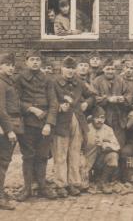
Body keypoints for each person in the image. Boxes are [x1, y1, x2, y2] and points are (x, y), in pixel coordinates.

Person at [16, 50, 58, 201]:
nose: (35, 62)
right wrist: (31, 108)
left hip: (45, 124)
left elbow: (54, 103)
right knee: (28, 156)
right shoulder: (19, 79)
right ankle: (27, 188)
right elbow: (15, 101)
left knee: (42, 156)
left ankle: (42, 186)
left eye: (38, 60)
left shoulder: (48, 79)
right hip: (27, 124)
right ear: (26, 61)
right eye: (32, 59)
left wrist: (49, 123)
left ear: (41, 62)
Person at [53, 56, 95, 197]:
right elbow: (49, 101)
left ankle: (74, 183)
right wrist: (59, 107)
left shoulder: (79, 83)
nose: (70, 71)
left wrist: (86, 103)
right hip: (61, 121)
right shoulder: (54, 83)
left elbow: (92, 96)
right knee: (60, 154)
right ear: (62, 69)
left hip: (77, 119)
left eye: (72, 68)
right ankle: (61, 184)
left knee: (75, 152)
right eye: (67, 68)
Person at [0, 53, 23, 210]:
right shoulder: (1, 83)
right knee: (2, 162)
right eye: (7, 64)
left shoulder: (9, 81)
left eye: (12, 65)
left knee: (4, 161)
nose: (10, 67)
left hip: (11, 123)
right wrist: (8, 130)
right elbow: (1, 108)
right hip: (4, 126)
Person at [80, 106, 120, 194]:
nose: (99, 120)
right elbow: (78, 147)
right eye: (97, 117)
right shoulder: (86, 129)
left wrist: (104, 145)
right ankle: (90, 178)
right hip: (87, 160)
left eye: (102, 118)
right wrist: (81, 158)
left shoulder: (108, 129)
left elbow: (116, 146)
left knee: (113, 157)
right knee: (82, 186)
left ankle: (103, 182)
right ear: (92, 118)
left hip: (100, 160)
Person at [93, 58, 129, 148]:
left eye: (112, 69)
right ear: (103, 69)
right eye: (108, 69)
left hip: (119, 116)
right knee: (104, 141)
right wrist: (108, 99)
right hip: (104, 116)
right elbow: (94, 98)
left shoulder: (120, 80)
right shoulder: (97, 81)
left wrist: (123, 98)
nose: (110, 71)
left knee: (119, 141)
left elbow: (128, 94)